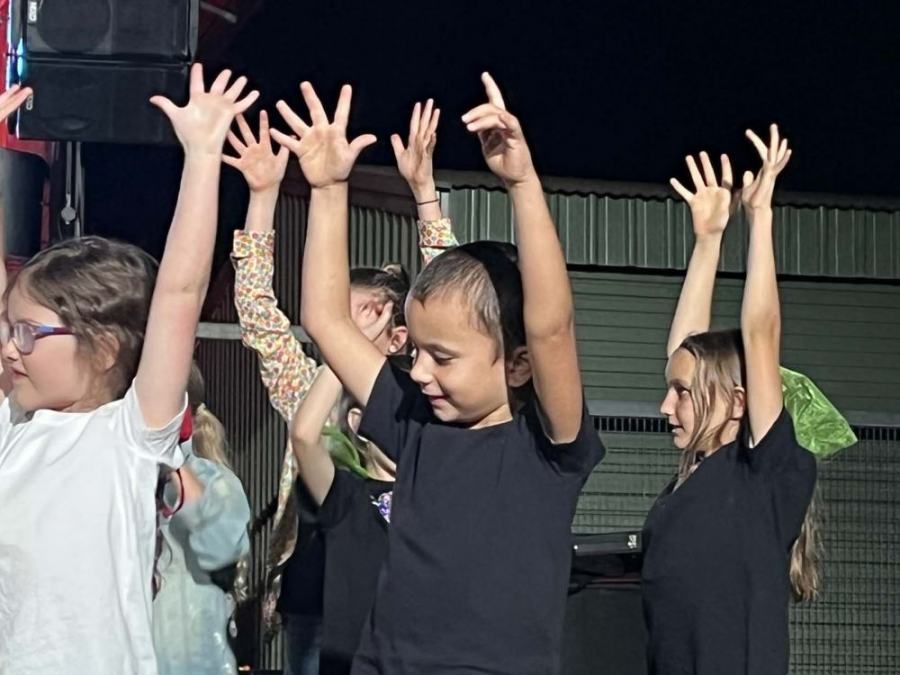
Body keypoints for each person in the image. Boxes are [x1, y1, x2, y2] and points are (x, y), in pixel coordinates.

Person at [272, 73, 604, 674]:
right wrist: (327, 188)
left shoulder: (549, 448)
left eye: (443, 357)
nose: (419, 371)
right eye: (416, 350)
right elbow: (325, 319)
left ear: (520, 363)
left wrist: (523, 184)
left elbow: (552, 327)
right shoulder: (415, 425)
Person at [0, 66, 257, 673]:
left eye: (29, 333)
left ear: (107, 348)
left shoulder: (129, 437)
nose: (10, 348)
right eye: (8, 328)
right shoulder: (11, 424)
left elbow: (179, 293)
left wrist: (202, 157)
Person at [225, 99, 454, 675]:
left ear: (398, 333)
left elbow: (457, 306)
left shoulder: (421, 398)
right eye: (337, 317)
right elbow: (256, 310)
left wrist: (425, 193)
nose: (343, 328)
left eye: (362, 317)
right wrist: (262, 196)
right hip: (318, 599)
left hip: (409, 595)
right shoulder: (310, 384)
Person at [641, 127, 819, 675]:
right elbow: (685, 354)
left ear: (739, 401)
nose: (666, 407)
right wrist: (708, 241)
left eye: (681, 395)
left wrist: (759, 216)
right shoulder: (691, 478)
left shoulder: (762, 474)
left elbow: (760, 333)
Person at [153, 363, 252, 675]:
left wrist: (175, 469)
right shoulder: (114, 476)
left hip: (192, 659)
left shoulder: (214, 480)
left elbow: (222, 547)